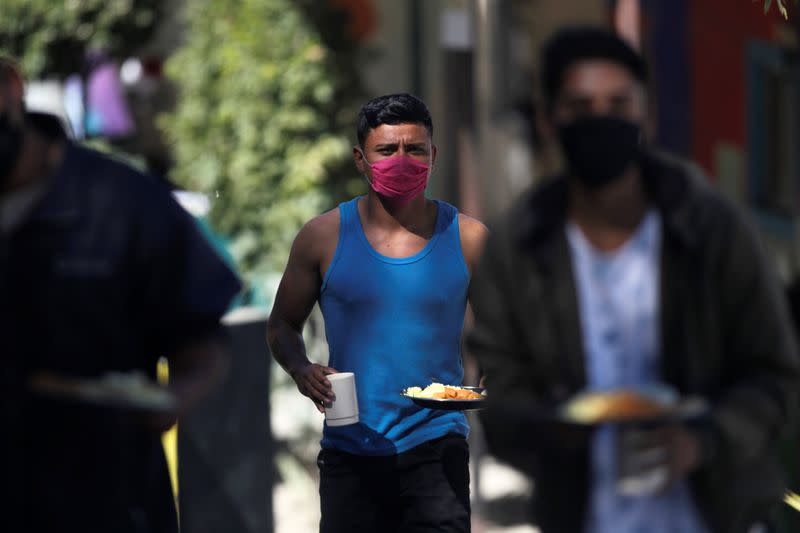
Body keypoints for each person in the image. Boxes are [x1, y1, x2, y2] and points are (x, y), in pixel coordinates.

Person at [466, 27, 800, 533]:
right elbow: (498, 399)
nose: (602, 119)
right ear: (549, 118)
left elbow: (775, 377)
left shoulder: (709, 228)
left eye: (618, 103)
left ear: (646, 112)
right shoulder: (519, 248)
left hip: (720, 516)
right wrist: (557, 431)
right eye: (581, 106)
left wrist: (705, 440)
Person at [0, 57, 241, 532]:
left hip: (102, 501)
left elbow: (202, 338)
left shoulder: (123, 203)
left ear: (10, 87)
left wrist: (177, 395)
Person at [267, 93, 488, 532]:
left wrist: (497, 372)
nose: (401, 160)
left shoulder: (468, 238)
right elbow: (282, 326)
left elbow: (507, 328)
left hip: (436, 447)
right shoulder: (322, 237)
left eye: (415, 149)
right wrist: (300, 369)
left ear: (433, 155)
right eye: (387, 150)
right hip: (350, 450)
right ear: (360, 159)